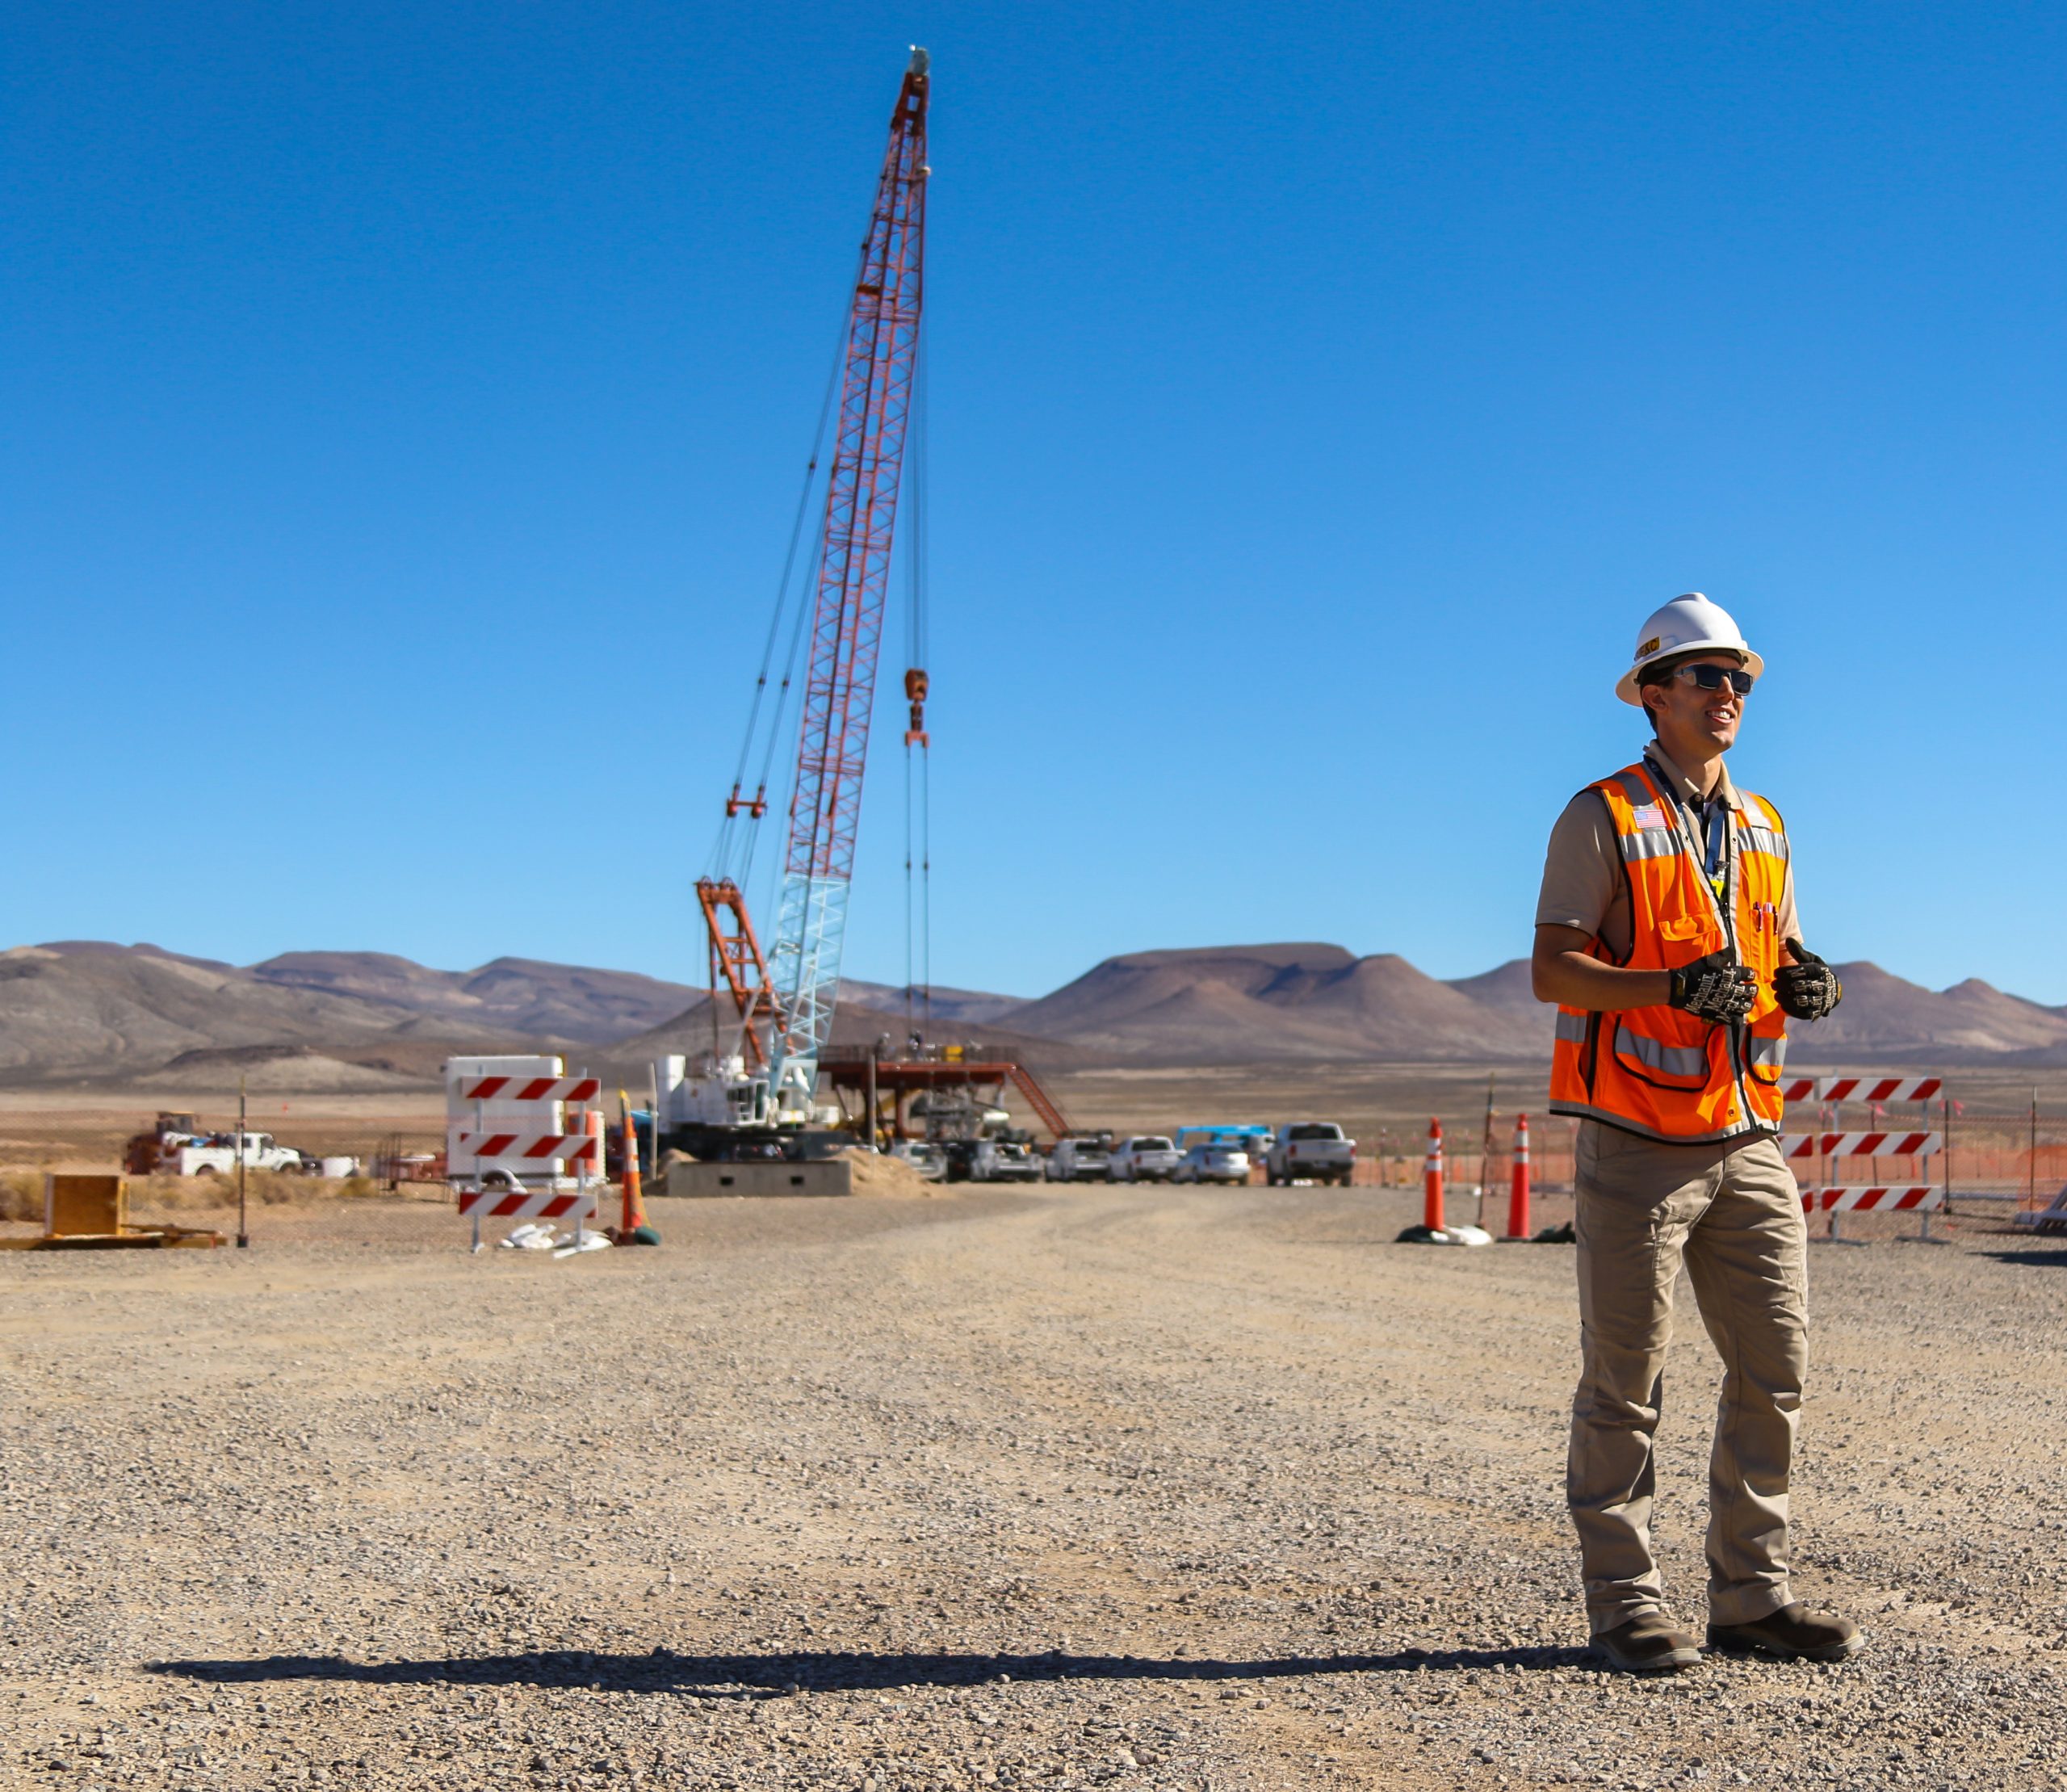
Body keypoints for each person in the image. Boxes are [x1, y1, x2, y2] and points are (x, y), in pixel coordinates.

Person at [1531, 594, 1859, 1676]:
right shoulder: (1603, 816)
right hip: (1634, 1141)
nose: (1730, 695)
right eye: (1708, 677)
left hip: (1748, 1139)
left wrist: (1811, 980)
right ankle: (1627, 1606)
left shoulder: (1765, 826)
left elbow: (1783, 946)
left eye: (1742, 681)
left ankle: (1750, 1598)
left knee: (1777, 1367)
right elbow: (1554, 969)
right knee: (1627, 1383)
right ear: (1654, 694)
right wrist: (1666, 983)